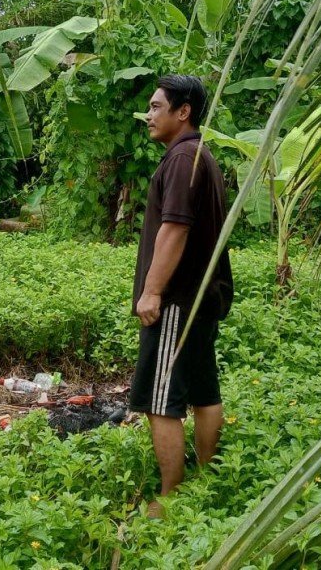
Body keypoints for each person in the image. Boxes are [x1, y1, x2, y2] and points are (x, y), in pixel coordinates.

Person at [129, 74, 234, 517]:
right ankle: (208, 480)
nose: (149, 115)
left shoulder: (179, 160)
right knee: (204, 391)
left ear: (183, 111)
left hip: (177, 301)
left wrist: (152, 292)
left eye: (156, 107)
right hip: (205, 297)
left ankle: (171, 497)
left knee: (160, 399)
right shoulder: (202, 157)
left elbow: (174, 229)